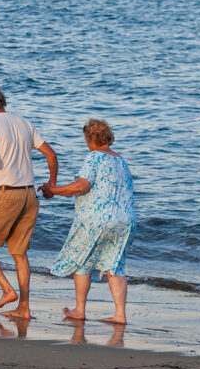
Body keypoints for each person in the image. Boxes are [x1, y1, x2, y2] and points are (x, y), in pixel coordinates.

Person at [0, 84, 58, 320]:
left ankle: (7, 290)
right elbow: (51, 155)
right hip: (29, 194)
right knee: (19, 253)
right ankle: (24, 309)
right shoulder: (24, 123)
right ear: (2, 102)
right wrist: (52, 186)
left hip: (6, 194)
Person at [39, 118, 135, 325]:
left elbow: (81, 186)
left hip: (97, 219)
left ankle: (80, 310)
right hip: (125, 220)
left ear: (89, 138)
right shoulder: (121, 161)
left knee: (83, 262)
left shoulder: (95, 157)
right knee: (115, 266)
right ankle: (120, 314)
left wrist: (53, 190)